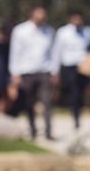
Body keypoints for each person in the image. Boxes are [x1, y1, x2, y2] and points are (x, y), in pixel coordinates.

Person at [8, 7, 57, 140]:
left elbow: (53, 53)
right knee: (29, 103)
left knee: (47, 102)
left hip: (44, 71)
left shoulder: (49, 31)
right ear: (32, 15)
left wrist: (54, 71)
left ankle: (48, 132)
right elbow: (15, 52)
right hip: (26, 72)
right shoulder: (20, 31)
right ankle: (33, 130)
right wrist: (14, 73)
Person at [53, 11, 90, 130]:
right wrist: (55, 70)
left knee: (80, 93)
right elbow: (57, 51)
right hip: (69, 65)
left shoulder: (87, 32)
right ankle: (75, 116)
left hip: (83, 67)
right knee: (74, 92)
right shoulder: (63, 32)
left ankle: (77, 113)